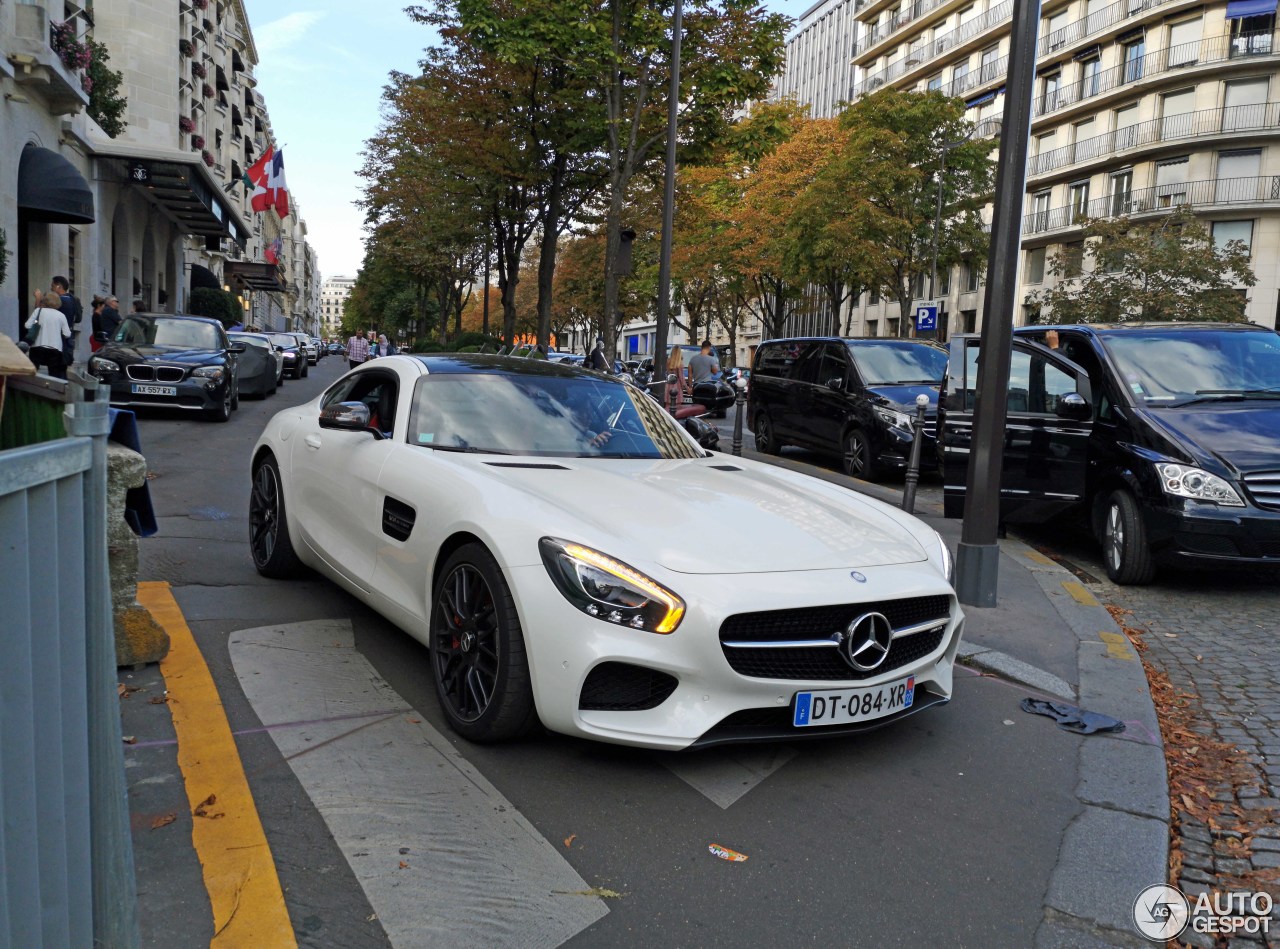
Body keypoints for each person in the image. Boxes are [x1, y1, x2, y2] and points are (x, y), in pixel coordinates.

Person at [25, 289, 72, 379]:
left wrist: (37, 323)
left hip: (37, 347)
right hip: (55, 349)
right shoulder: (61, 315)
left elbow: (27, 325)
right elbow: (67, 334)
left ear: (45, 301)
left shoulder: (38, 311)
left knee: (31, 374)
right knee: (54, 377)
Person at [51, 275, 82, 366]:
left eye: (52, 286)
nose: (51, 288)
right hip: (67, 339)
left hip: (59, 340)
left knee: (57, 370)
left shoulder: (60, 301)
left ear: (58, 287)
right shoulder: (71, 299)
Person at [665, 346, 689, 413]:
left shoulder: (668, 362)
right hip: (676, 386)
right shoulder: (680, 364)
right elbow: (682, 379)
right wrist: (687, 388)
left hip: (668, 385)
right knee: (677, 408)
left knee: (667, 406)